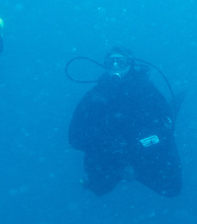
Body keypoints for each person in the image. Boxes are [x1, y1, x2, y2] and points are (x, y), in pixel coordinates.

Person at [68, 47, 182, 197]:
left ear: (130, 64)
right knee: (98, 188)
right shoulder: (95, 95)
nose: (115, 66)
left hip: (144, 153)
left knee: (172, 189)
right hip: (110, 155)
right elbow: (74, 136)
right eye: (110, 62)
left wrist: (135, 151)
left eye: (120, 62)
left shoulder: (146, 90)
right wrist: (109, 148)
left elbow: (166, 127)